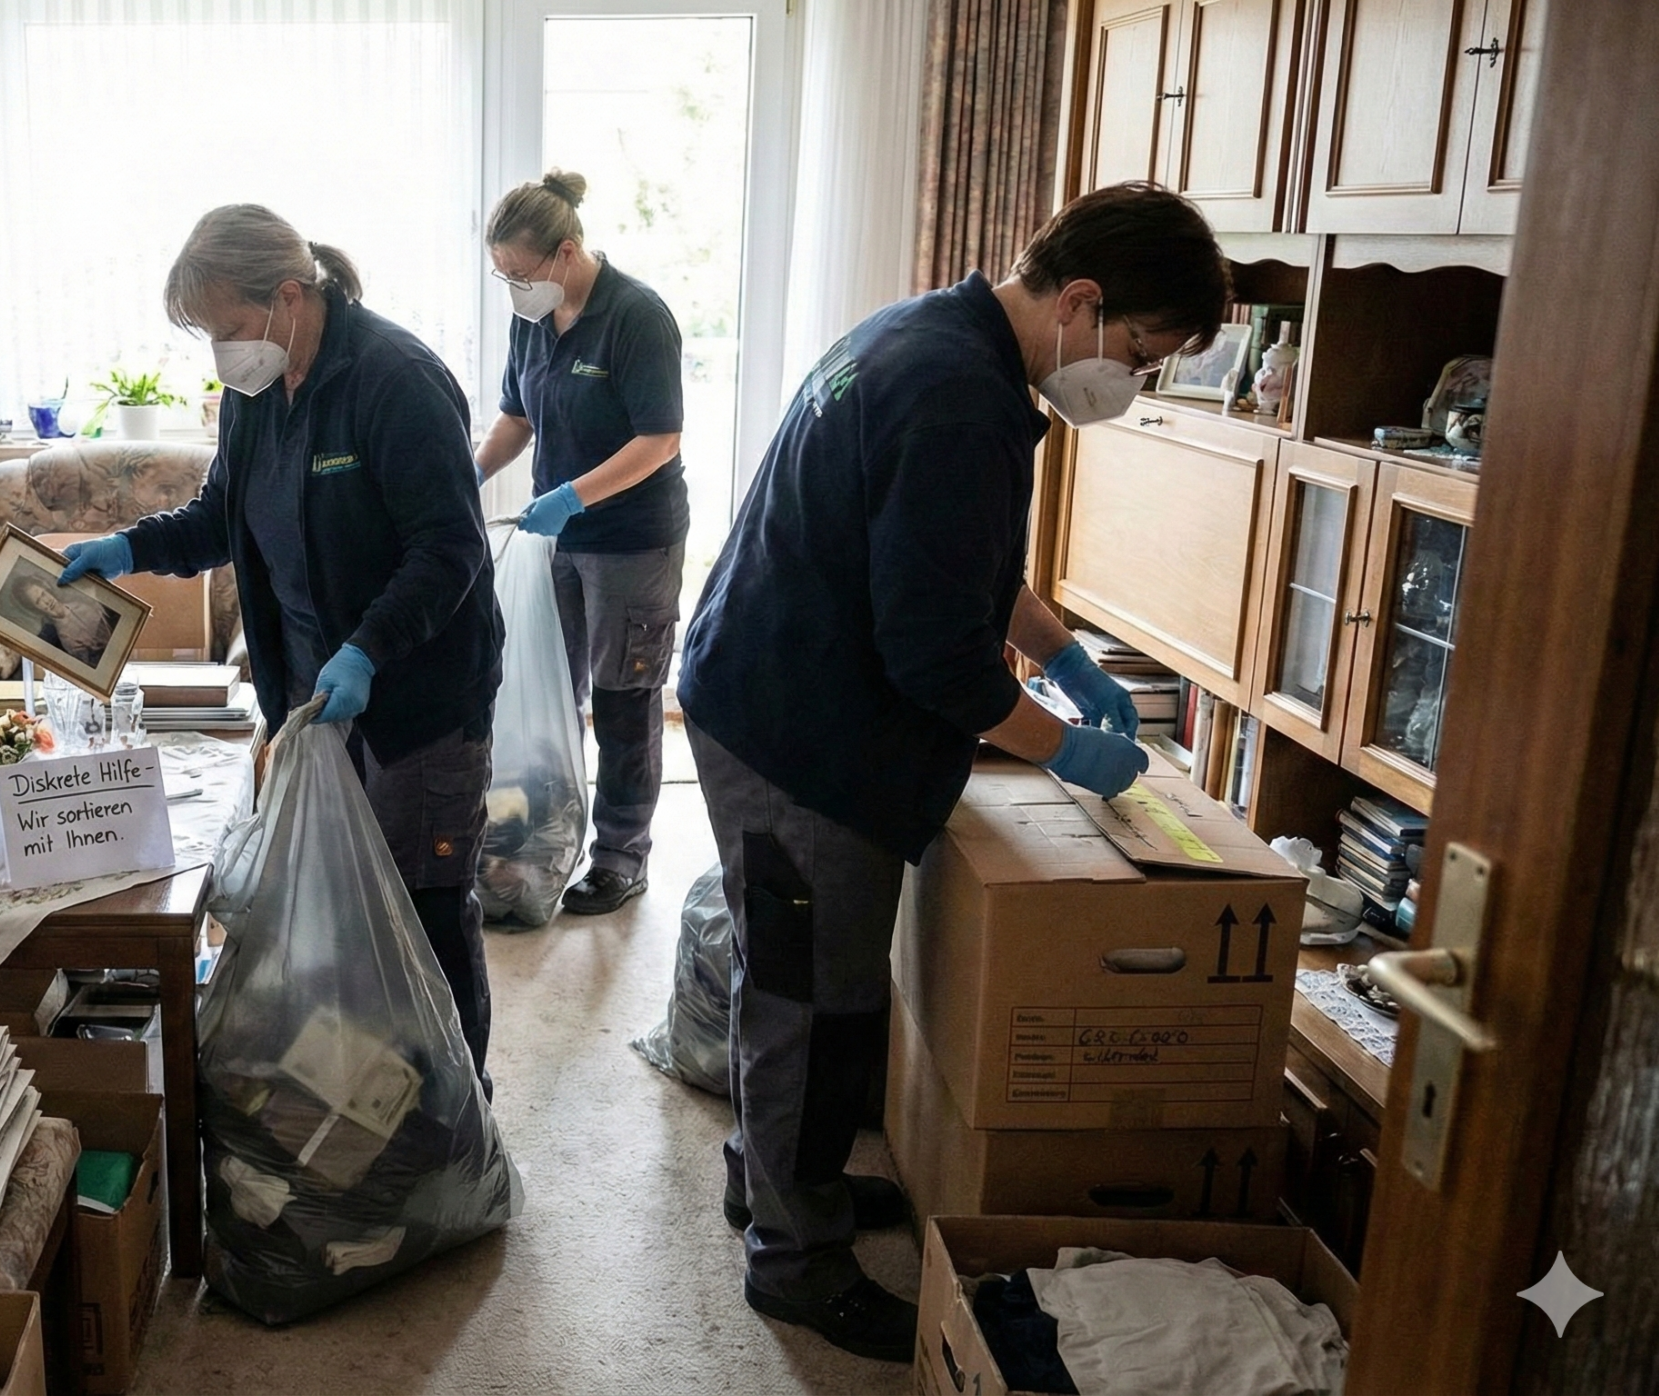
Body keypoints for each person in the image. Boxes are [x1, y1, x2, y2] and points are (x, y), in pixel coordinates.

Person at [677, 182, 1227, 1361]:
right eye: (1142, 349)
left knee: (802, 982)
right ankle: (791, 1259)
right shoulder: (956, 397)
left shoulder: (928, 329)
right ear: (1082, 301)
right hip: (794, 728)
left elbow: (964, 572)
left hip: (763, 683)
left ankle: (771, 1183)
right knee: (814, 1007)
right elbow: (934, 655)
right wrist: (1068, 747)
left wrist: (1066, 658)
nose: (1135, 379)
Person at [57, 205, 505, 1081]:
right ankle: (369, 1095)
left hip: (416, 699)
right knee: (341, 909)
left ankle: (459, 1108)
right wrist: (131, 548)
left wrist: (369, 649)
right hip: (310, 700)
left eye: (227, 329)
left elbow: (449, 549)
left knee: (424, 907)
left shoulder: (395, 380)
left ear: (289, 298)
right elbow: (220, 519)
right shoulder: (255, 396)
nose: (223, 352)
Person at [474, 170, 687, 916]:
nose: (514, 287)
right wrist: (465, 478)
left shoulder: (637, 318)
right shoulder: (530, 320)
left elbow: (659, 440)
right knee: (547, 694)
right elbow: (516, 417)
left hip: (631, 541)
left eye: (521, 274)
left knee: (625, 698)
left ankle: (621, 856)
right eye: (502, 275)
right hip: (555, 543)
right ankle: (541, 838)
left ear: (566, 252)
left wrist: (573, 496)